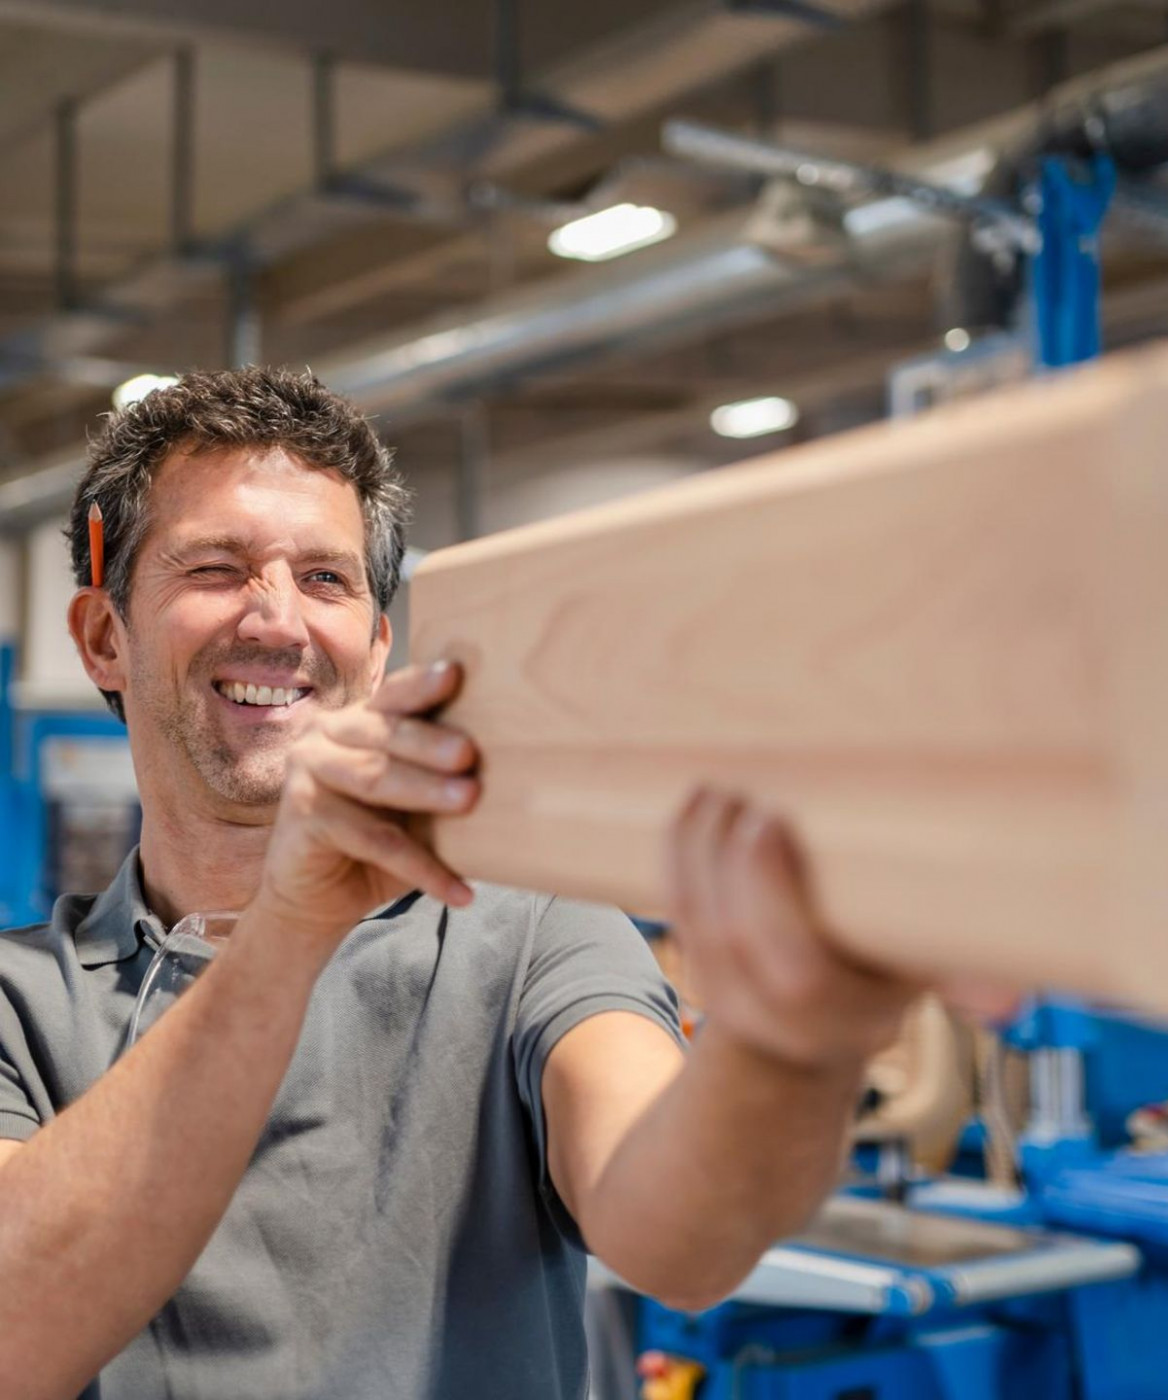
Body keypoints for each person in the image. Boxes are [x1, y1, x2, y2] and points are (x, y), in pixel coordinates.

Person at [0, 368, 1007, 1400]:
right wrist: (288, 929)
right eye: (215, 566)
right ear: (101, 637)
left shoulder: (526, 927)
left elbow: (676, 1243)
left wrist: (791, 1039)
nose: (276, 619)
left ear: (380, 647)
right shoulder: (20, 1001)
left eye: (328, 578)